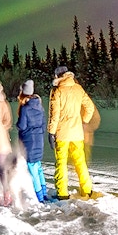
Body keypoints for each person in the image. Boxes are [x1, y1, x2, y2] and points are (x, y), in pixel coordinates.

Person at [47, 66, 97, 200]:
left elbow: (54, 115)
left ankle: (63, 193)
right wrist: (83, 121)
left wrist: (51, 132)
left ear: (58, 76)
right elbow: (90, 107)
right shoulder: (78, 88)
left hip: (62, 133)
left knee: (61, 163)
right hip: (77, 133)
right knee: (80, 161)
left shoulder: (57, 91)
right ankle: (87, 190)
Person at [16, 79, 48, 203]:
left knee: (32, 169)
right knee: (38, 167)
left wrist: (17, 124)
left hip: (29, 141)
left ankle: (40, 197)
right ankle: (44, 193)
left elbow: (22, 126)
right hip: (39, 140)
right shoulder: (39, 106)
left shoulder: (25, 108)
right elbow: (43, 124)